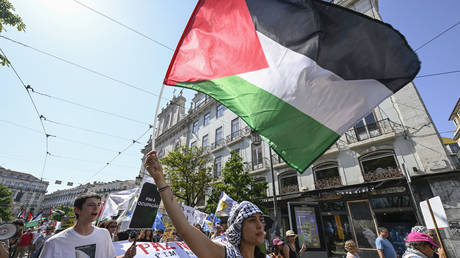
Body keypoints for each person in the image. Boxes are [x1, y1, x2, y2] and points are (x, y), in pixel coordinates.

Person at [144, 150, 267, 258]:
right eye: (251, 220)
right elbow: (184, 227)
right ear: (238, 227)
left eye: (261, 219)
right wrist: (159, 179)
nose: (259, 225)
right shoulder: (224, 254)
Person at [39, 192, 136, 258]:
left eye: (98, 204)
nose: (96, 208)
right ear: (77, 210)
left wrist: (125, 256)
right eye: (91, 205)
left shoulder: (104, 234)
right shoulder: (54, 243)